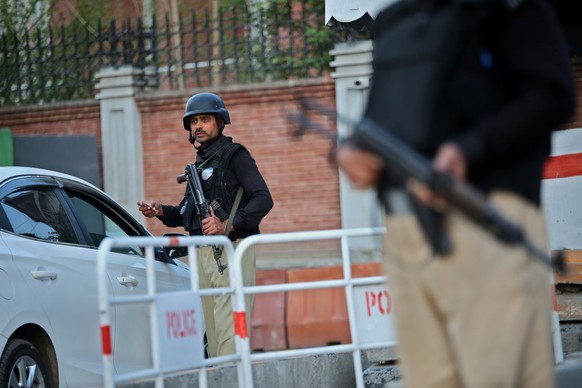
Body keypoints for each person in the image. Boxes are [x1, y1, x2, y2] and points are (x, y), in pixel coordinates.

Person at [336, 0, 575, 387]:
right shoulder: (397, 18)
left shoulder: (510, 7)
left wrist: (470, 149)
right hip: (406, 232)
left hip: (487, 220)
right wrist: (350, 150)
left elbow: (552, 93)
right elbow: (379, 119)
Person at [138, 92, 273, 357]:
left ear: (220, 122)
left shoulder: (236, 156)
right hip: (201, 253)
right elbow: (185, 214)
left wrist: (227, 226)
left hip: (231, 249)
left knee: (229, 328)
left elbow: (263, 199)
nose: (198, 126)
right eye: (194, 121)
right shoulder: (200, 165)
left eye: (205, 119)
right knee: (212, 330)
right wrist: (160, 210)